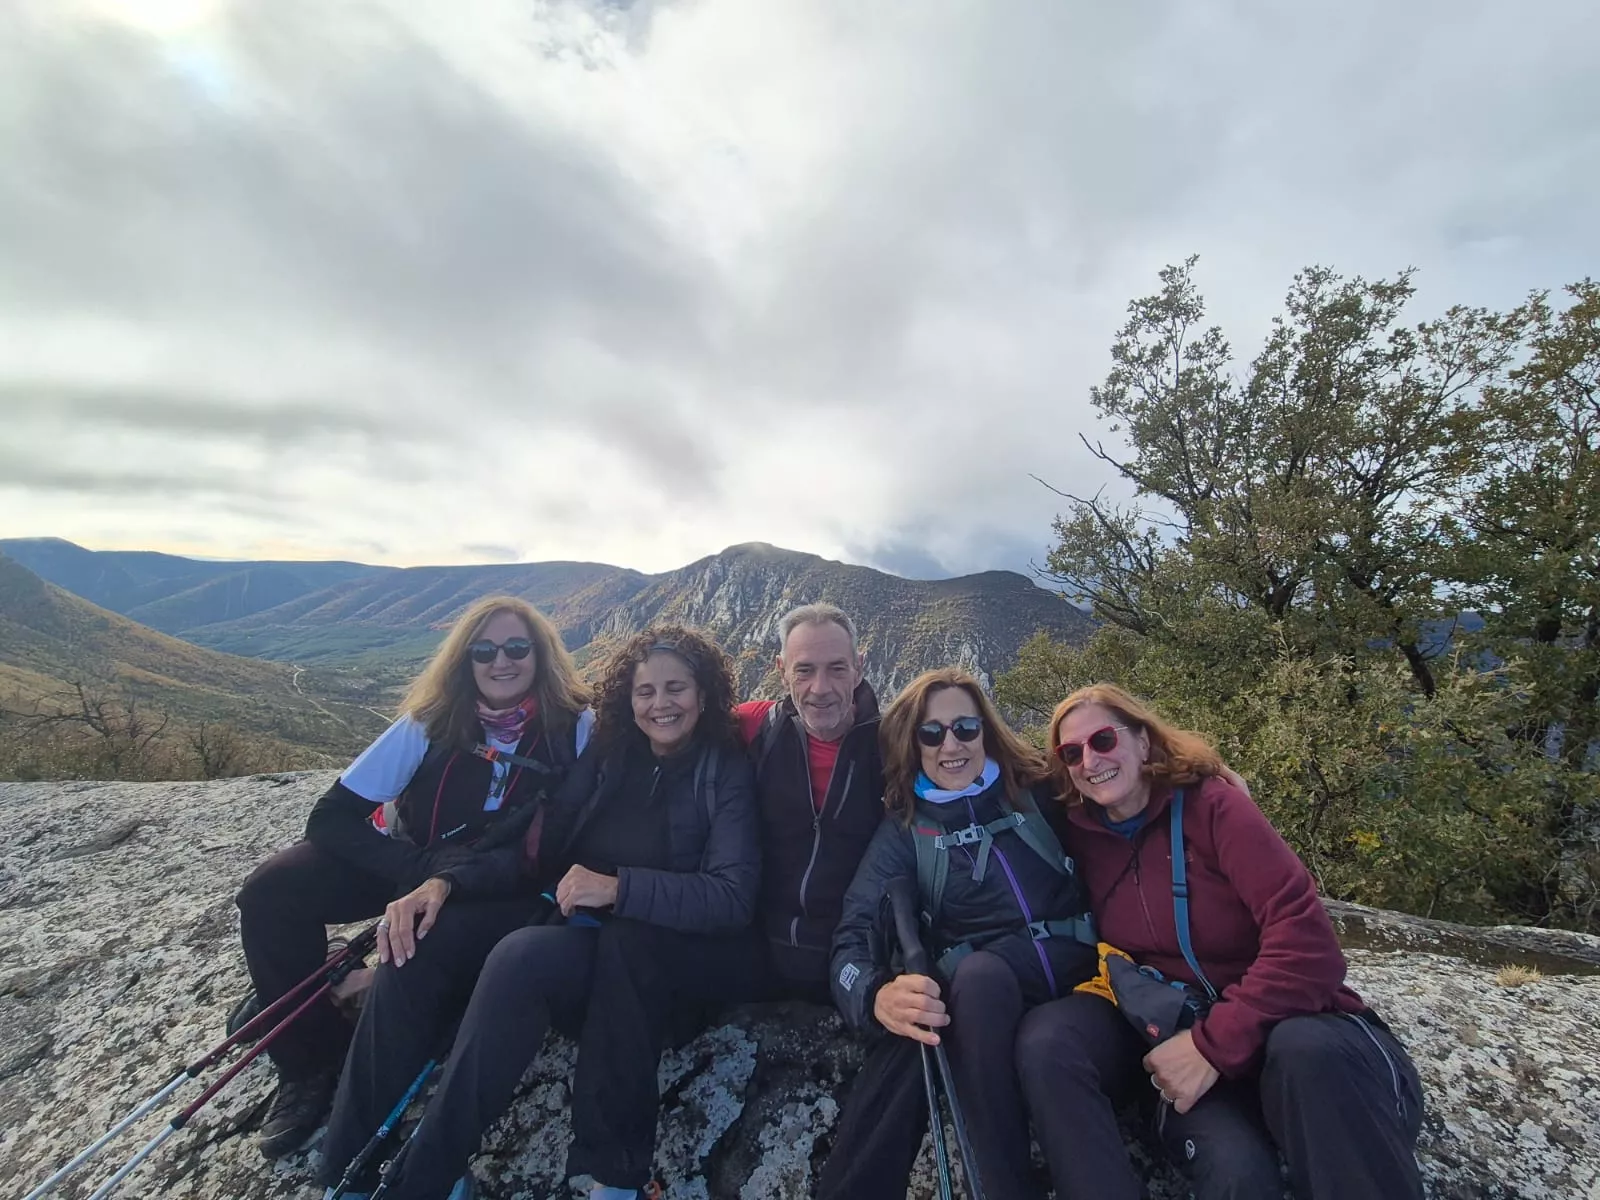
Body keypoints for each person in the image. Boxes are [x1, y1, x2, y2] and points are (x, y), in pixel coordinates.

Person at [316, 626, 759, 1200]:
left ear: (704, 695)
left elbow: (731, 897)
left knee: (519, 960)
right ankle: (348, 1164)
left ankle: (421, 1179)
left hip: (642, 955)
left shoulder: (724, 772)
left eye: (677, 689)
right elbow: (537, 846)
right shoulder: (609, 754)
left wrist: (619, 888)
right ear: (628, 697)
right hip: (567, 919)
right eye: (645, 691)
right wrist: (444, 882)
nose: (661, 704)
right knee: (420, 938)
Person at [1015, 683, 1424, 1200]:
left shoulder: (1214, 808)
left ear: (1143, 741)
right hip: (1180, 1031)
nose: (1090, 760)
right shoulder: (1076, 831)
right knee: (1234, 1172)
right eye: (1071, 753)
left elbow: (1309, 943)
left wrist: (1213, 1045)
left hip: (1289, 1033)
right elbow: (981, 779)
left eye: (1103, 740)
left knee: (1306, 1049)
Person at [234, 595, 592, 1158]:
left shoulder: (575, 728)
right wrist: (416, 870)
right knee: (270, 892)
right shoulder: (430, 723)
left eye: (518, 647)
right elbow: (330, 818)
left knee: (423, 954)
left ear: (541, 655)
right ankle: (308, 1063)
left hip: (495, 884)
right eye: (485, 650)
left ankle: (318, 995)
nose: (502, 661)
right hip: (413, 860)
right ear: (464, 660)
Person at [828, 668, 1101, 1200]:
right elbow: (851, 941)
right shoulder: (906, 830)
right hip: (986, 1000)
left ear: (985, 730)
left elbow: (1125, 789)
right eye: (931, 734)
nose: (950, 745)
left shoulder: (1039, 792)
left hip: (1085, 989)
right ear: (914, 743)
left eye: (965, 729)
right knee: (973, 980)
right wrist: (874, 994)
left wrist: (1204, 781)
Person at [735, 603, 886, 1001]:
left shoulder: (895, 748)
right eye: (804, 670)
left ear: (859, 667)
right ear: (780, 670)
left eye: (837, 668)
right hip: (756, 945)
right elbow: (664, 723)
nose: (820, 688)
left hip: (851, 956)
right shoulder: (754, 728)